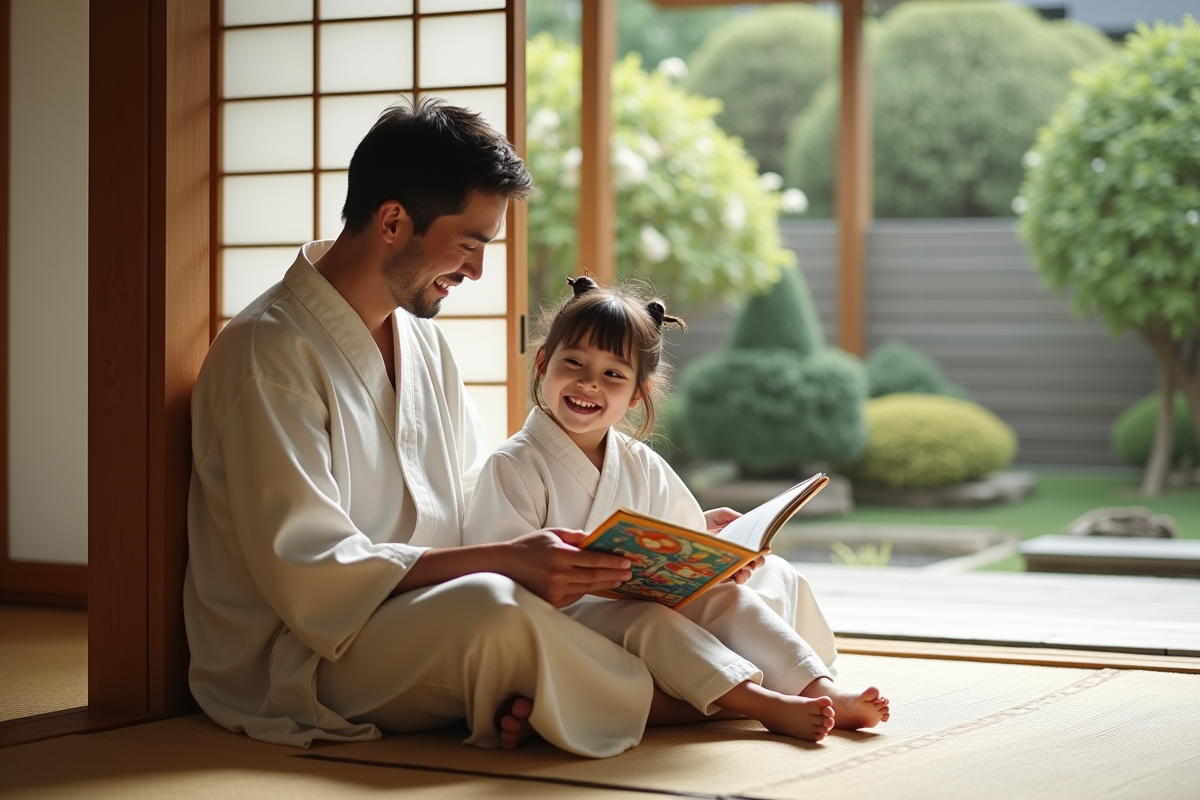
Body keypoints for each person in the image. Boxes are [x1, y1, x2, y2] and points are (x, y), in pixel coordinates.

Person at [184, 99, 694, 758]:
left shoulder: (420, 343)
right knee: (494, 610)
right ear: (394, 220)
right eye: (470, 245)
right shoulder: (266, 353)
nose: (477, 272)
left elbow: (471, 494)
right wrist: (508, 561)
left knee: (658, 596)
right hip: (305, 655)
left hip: (423, 609)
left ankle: (593, 691)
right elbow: (310, 573)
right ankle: (684, 703)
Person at [463, 277, 890, 739]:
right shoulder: (515, 464)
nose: (589, 382)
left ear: (637, 394)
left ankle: (820, 689)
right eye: (574, 363)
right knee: (649, 619)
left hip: (645, 603)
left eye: (613, 374)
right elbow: (498, 574)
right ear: (543, 363)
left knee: (730, 595)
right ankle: (760, 703)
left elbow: (678, 534)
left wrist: (718, 550)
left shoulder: (640, 462)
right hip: (564, 621)